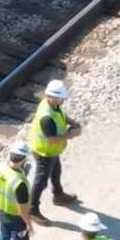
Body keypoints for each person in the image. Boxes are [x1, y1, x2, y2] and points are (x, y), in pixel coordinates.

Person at [27, 79, 83, 223]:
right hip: (44, 151)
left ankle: (58, 195)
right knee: (41, 180)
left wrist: (72, 123)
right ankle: (32, 209)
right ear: (51, 96)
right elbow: (50, 139)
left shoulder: (51, 104)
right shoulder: (46, 117)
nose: (63, 100)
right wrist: (71, 135)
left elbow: (61, 115)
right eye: (60, 97)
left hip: (51, 150)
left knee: (56, 171)